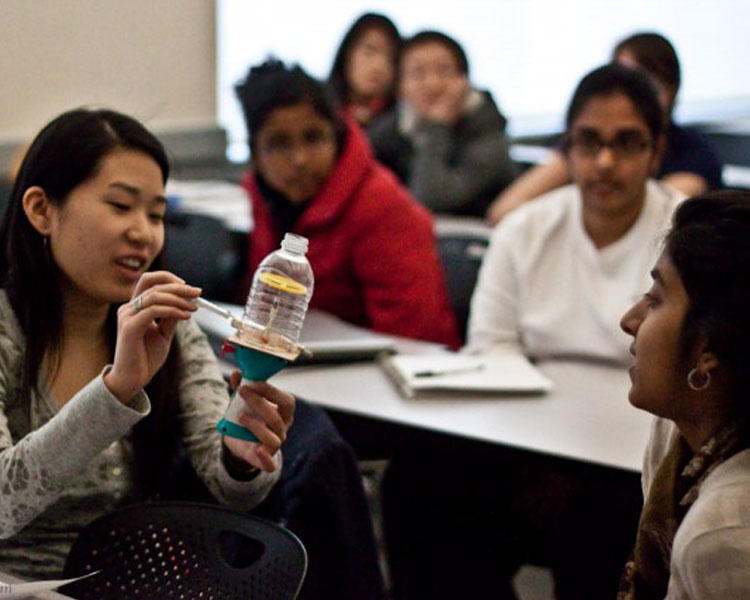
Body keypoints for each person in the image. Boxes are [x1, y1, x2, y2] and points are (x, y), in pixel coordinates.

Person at [382, 63, 683, 599]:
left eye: (627, 143)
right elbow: (491, 352)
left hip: (634, 459)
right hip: (527, 445)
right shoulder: (526, 229)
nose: (605, 162)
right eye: (588, 142)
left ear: (657, 151)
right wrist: (543, 458)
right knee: (418, 479)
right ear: (566, 150)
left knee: (603, 518)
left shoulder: (685, 240)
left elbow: (681, 383)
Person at [0, 109, 293, 578]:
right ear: (40, 210)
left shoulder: (164, 326)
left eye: (156, 213)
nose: (143, 232)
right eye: (120, 206)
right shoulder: (6, 330)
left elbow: (230, 488)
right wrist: (116, 389)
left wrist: (244, 454)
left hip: (134, 579)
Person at [236, 58, 461, 348]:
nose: (300, 160)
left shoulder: (381, 206)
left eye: (314, 138)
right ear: (255, 154)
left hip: (384, 378)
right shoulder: (264, 195)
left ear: (336, 134)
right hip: (300, 367)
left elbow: (415, 342)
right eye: (278, 144)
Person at [619, 191, 750, 599]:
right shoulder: (676, 434)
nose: (630, 320)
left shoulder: (726, 536)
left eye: (655, 301)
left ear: (706, 350)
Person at [487, 32, 723, 225]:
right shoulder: (582, 144)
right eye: (619, 76)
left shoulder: (694, 152)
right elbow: (505, 211)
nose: (605, 161)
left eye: (627, 143)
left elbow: (650, 220)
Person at [368, 30, 517, 216]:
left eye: (444, 70)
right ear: (399, 86)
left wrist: (437, 126)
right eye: (417, 74)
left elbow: (432, 200)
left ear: (464, 80)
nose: (433, 84)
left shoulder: (487, 127)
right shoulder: (389, 130)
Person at [328, 12, 401, 127]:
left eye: (390, 58)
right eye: (369, 51)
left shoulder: (403, 125)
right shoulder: (321, 109)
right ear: (347, 53)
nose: (379, 66)